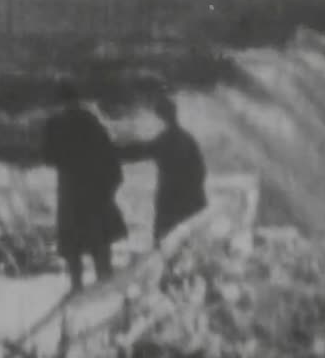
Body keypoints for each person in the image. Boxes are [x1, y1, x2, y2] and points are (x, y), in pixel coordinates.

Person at [41, 83, 127, 292]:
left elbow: (47, 156)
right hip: (95, 191)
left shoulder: (56, 125)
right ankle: (105, 284)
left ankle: (77, 287)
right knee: (99, 242)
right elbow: (111, 157)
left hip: (72, 190)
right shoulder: (92, 123)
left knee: (73, 244)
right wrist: (111, 186)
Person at [138, 94, 207, 244]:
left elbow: (140, 152)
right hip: (191, 199)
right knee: (188, 243)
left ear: (160, 117)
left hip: (170, 200)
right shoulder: (187, 139)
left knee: (164, 240)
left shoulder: (164, 139)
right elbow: (201, 170)